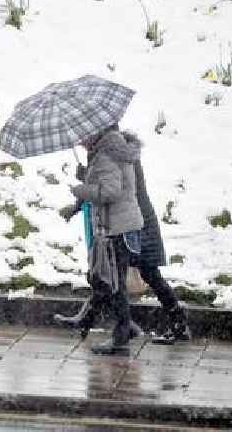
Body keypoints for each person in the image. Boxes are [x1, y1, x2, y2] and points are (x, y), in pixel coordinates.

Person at [58, 131, 191, 346]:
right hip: (133, 218)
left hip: (137, 221)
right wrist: (87, 183)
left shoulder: (115, 154)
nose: (81, 143)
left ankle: (172, 324)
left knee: (137, 276)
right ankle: (96, 321)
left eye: (85, 137)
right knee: (111, 276)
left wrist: (87, 180)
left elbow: (119, 190)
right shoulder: (118, 151)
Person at [59, 124, 144, 355]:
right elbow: (112, 183)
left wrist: (81, 190)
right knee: (110, 282)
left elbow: (110, 192)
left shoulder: (105, 155)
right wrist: (87, 176)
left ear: (94, 133)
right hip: (121, 225)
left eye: (83, 137)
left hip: (117, 226)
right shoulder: (112, 150)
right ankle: (125, 328)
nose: (80, 142)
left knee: (114, 284)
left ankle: (121, 338)